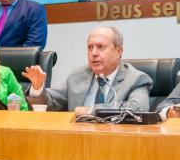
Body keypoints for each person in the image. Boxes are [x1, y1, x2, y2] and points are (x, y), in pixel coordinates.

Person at [24, 26, 153, 113]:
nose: (94, 53)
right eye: (90, 47)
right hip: (77, 143)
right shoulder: (78, 75)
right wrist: (37, 87)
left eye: (101, 47)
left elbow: (138, 109)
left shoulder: (136, 79)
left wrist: (91, 110)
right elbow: (50, 102)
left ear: (118, 51)